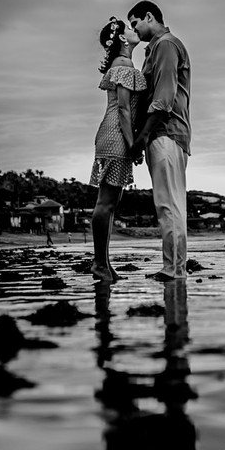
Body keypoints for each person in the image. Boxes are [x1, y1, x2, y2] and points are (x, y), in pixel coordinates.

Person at [127, 0, 192, 282]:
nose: (134, 30)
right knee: (171, 204)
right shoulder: (156, 49)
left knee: (168, 205)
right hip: (167, 134)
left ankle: (173, 269)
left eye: (135, 23)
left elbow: (163, 99)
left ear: (149, 16)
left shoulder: (165, 45)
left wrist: (140, 139)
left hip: (166, 132)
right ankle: (176, 267)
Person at [89, 16, 146, 282]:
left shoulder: (122, 64)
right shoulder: (124, 64)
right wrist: (133, 144)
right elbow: (124, 109)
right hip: (116, 135)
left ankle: (104, 264)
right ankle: (99, 263)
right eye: (130, 29)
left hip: (114, 134)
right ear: (122, 39)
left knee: (110, 203)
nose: (135, 31)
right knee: (106, 203)